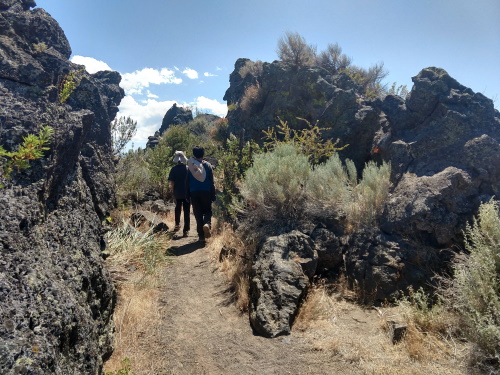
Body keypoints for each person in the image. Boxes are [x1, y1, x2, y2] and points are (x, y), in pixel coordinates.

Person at [186, 146, 216, 244]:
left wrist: (187, 195)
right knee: (208, 211)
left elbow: (187, 182)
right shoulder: (208, 165)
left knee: (198, 214)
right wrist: (213, 194)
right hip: (206, 191)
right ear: (203, 154)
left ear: (194, 155)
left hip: (194, 192)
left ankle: (201, 237)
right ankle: (207, 223)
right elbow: (212, 181)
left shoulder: (190, 167)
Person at [168, 150, 190, 237]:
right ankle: (186, 231)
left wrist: (173, 191)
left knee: (177, 209)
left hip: (177, 192)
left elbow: (172, 183)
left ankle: (177, 225)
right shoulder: (188, 168)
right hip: (187, 193)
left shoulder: (173, 169)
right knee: (187, 211)